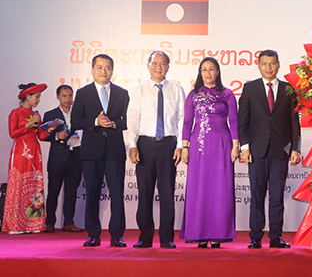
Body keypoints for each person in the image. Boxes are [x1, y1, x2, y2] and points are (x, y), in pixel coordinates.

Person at [239, 49, 301, 249]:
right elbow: (243, 121)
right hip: (255, 152)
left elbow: (294, 122)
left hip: (280, 151)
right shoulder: (250, 88)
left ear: (278, 65)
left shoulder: (288, 89)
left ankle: (276, 237)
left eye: (272, 63)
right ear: (258, 65)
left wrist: (295, 148)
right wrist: (245, 148)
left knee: (277, 196)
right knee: (256, 196)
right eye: (264, 64)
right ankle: (255, 237)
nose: (268, 67)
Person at [127, 51, 186, 249]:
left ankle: (167, 238)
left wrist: (179, 146)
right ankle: (145, 237)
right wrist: (133, 145)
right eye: (155, 63)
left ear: (168, 67)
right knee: (144, 193)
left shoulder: (177, 89)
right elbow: (133, 119)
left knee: (168, 193)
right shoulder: (139, 90)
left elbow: (181, 120)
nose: (158, 67)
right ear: (148, 66)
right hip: (145, 145)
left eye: (163, 63)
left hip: (169, 145)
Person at [71, 54, 130, 247]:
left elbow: (128, 120)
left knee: (117, 194)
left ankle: (117, 236)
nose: (103, 71)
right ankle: (93, 234)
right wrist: (96, 122)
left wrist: (113, 123)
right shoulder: (83, 93)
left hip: (115, 151)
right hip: (90, 152)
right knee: (93, 194)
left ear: (112, 70)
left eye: (107, 68)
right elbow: (75, 121)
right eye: (99, 67)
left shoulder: (122, 93)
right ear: (92, 69)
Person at [180, 57, 239, 248]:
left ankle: (218, 234)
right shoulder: (193, 95)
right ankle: (199, 233)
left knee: (220, 189)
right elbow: (188, 122)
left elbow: (234, 121)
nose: (207, 73)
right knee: (200, 188)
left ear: (218, 72)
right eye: (204, 69)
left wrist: (236, 145)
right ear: (200, 72)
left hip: (222, 144)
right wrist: (185, 147)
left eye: (211, 69)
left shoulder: (227, 94)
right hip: (199, 146)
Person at [2, 83, 57, 234]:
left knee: (34, 186)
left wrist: (49, 130)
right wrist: (29, 123)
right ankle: (16, 225)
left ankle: (33, 223)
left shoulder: (36, 115)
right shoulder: (16, 113)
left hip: (35, 153)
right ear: (28, 96)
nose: (38, 100)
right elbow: (13, 133)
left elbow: (40, 136)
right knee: (19, 185)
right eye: (36, 97)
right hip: (21, 152)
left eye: (39, 97)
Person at [43, 85, 83, 233]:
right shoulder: (50, 114)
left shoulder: (79, 114)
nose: (68, 99)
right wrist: (56, 136)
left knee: (71, 192)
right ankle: (50, 222)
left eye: (70, 96)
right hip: (58, 158)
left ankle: (68, 222)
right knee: (53, 191)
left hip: (76, 157)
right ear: (58, 97)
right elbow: (43, 135)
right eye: (64, 96)